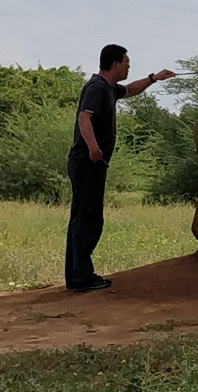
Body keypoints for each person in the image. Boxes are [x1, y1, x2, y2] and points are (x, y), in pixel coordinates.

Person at [66, 44, 175, 292]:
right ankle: (82, 278)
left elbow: (131, 90)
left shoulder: (109, 88)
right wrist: (93, 148)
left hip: (90, 164)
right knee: (88, 219)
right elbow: (85, 117)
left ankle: (77, 276)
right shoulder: (96, 88)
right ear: (114, 64)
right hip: (87, 163)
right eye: (126, 61)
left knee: (82, 218)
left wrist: (153, 78)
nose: (128, 65)